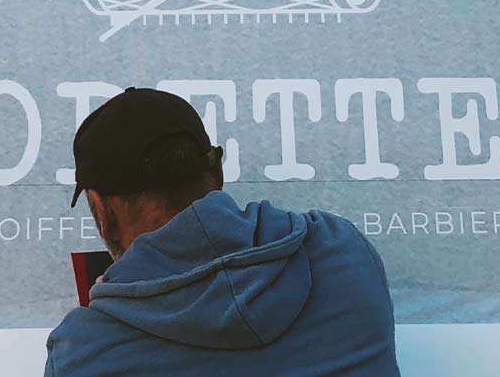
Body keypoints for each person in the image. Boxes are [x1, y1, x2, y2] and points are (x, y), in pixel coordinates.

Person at [46, 87, 401, 376]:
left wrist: (115, 311)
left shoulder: (84, 353)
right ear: (217, 172)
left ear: (102, 211)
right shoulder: (344, 252)